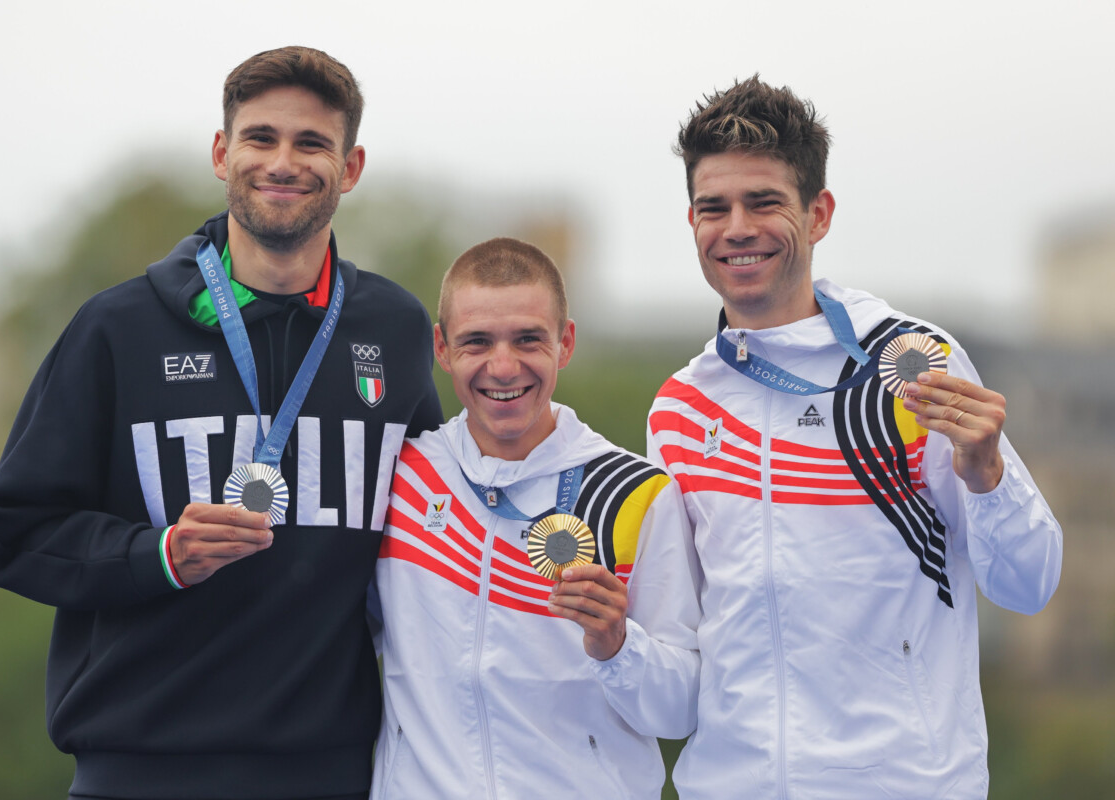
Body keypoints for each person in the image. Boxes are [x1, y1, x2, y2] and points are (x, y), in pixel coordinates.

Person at [0, 46, 441, 800]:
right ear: (223, 154)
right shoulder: (116, 330)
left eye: (311, 143)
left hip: (336, 773)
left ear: (350, 167)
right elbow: (13, 533)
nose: (282, 162)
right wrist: (156, 554)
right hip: (140, 770)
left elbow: (433, 534)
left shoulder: (393, 328)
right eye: (260, 138)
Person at [647, 76, 1063, 799]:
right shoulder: (681, 407)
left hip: (903, 783)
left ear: (820, 212)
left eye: (765, 202)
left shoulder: (911, 364)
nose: (736, 227)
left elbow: (1029, 586)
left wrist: (988, 473)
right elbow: (677, 642)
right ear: (692, 221)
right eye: (714, 207)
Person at [370, 237, 701, 799]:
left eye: (528, 339)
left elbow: (681, 710)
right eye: (477, 341)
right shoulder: (397, 476)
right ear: (442, 349)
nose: (504, 366)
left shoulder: (635, 494)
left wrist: (618, 645)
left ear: (564, 342)